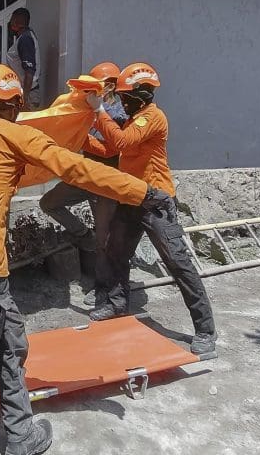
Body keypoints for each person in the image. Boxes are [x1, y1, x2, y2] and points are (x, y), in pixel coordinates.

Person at [0, 64, 172, 455]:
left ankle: (21, 436)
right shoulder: (17, 134)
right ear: (16, 105)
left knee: (10, 346)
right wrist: (143, 192)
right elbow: (78, 169)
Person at [86, 62, 217, 355]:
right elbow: (110, 149)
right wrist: (79, 139)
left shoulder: (153, 118)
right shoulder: (135, 119)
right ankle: (118, 304)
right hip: (132, 196)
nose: (121, 101)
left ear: (142, 95)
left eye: (125, 96)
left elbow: (119, 140)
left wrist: (98, 111)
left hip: (155, 201)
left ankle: (206, 330)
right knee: (117, 252)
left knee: (178, 263)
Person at [40, 62, 128, 300]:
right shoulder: (89, 108)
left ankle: (105, 288)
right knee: (49, 203)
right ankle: (84, 237)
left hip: (106, 180)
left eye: (96, 88)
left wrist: (80, 140)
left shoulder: (118, 112)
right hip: (85, 174)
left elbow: (109, 151)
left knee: (105, 238)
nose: (91, 93)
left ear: (110, 86)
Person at [4, 7, 41, 109]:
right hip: (23, 93)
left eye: (11, 20)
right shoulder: (24, 37)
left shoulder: (25, 39)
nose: (10, 24)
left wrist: (24, 99)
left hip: (27, 95)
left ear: (16, 21)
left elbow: (29, 71)